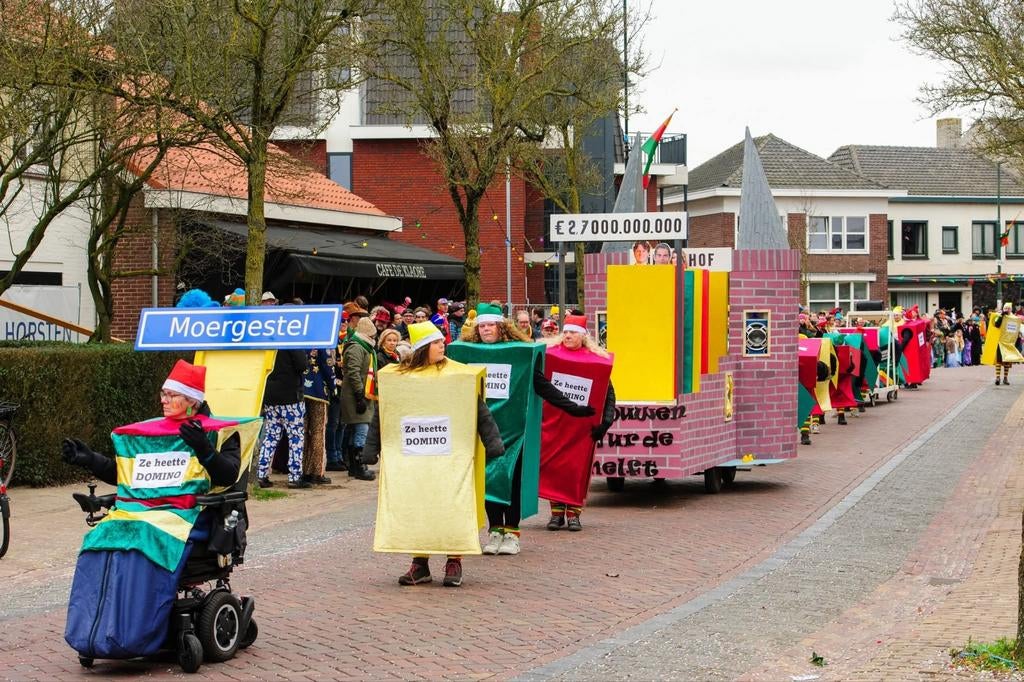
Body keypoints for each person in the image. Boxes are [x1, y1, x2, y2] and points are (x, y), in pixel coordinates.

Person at [365, 321, 504, 587]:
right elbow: (385, 414)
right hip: (414, 458)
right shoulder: (399, 378)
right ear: (423, 348)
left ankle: (454, 560)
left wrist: (493, 443)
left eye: (442, 341)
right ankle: (420, 563)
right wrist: (372, 449)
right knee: (418, 506)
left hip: (449, 458)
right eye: (437, 342)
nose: (443, 346)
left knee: (451, 505)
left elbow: (479, 410)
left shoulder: (458, 375)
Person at [448, 304, 594, 557]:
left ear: (501, 327)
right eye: (481, 326)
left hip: (514, 432)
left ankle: (512, 532)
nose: (485, 330)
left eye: (490, 325)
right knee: (488, 482)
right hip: (481, 431)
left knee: (512, 482)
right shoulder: (465, 355)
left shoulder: (518, 355)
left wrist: (574, 408)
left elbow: (542, 385)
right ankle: (495, 530)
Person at [62, 360, 241, 489]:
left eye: (171, 395)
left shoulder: (220, 432)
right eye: (163, 394)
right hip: (148, 513)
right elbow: (131, 476)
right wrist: (92, 460)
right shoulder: (155, 431)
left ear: (193, 401)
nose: (164, 400)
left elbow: (228, 477)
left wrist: (205, 449)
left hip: (194, 517)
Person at [538, 313, 616, 531]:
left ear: (583, 336)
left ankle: (573, 514)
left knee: (575, 470)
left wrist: (606, 422)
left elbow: (608, 394)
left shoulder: (597, 362)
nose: (569, 335)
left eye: (573, 332)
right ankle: (556, 513)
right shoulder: (549, 356)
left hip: (581, 430)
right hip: (553, 425)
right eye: (566, 332)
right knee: (553, 468)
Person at [257, 345, 310, 489]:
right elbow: (302, 364)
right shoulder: (292, 340)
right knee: (296, 436)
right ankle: (295, 476)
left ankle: (261, 474)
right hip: (290, 395)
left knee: (271, 436)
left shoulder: (269, 339)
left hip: (270, 394)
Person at [341, 316, 378, 480]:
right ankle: (360, 465)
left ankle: (354, 466)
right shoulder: (356, 347)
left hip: (360, 395)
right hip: (355, 396)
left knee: (357, 429)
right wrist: (359, 395)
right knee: (361, 430)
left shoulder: (363, 347)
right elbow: (353, 372)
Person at [302, 349, 335, 485]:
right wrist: (333, 386)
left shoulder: (299, 338)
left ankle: (301, 470)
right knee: (318, 431)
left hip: (300, 389)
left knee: (302, 432)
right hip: (318, 391)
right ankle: (317, 471)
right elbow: (327, 366)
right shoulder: (322, 339)